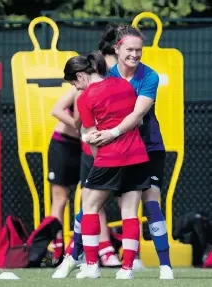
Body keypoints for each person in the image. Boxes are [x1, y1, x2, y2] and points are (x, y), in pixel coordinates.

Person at [90, 25, 174, 280]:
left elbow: (137, 115)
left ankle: (165, 265)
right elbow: (92, 107)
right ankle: (79, 260)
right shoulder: (105, 76)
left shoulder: (149, 77)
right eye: (130, 49)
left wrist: (111, 132)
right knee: (91, 203)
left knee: (151, 203)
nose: (135, 55)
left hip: (148, 147)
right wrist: (92, 134)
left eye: (139, 50)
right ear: (117, 49)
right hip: (116, 149)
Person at [62, 52, 150, 279]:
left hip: (109, 159)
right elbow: (137, 120)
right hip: (138, 156)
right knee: (130, 212)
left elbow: (92, 139)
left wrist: (92, 149)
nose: (76, 89)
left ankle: (92, 266)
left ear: (81, 76)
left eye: (74, 83)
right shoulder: (125, 85)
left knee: (89, 206)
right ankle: (127, 269)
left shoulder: (85, 98)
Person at [52, 25, 121, 279]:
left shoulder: (115, 85)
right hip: (84, 148)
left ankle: (84, 252)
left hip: (109, 149)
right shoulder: (82, 90)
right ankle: (71, 253)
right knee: (83, 201)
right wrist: (81, 126)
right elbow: (65, 114)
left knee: (97, 201)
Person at [48, 87, 81, 262]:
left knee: (92, 198)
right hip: (63, 145)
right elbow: (56, 110)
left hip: (86, 147)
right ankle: (56, 246)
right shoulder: (77, 89)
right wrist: (79, 126)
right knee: (60, 199)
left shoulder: (108, 88)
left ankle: (97, 248)